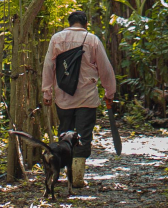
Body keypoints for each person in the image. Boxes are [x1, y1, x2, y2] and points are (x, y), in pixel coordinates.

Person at [41, 11, 116, 187]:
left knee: (65, 133)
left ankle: (63, 175)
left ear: (69, 23)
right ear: (85, 24)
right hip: (87, 98)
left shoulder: (57, 39)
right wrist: (109, 93)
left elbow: (49, 66)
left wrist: (47, 92)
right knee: (83, 135)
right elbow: (105, 69)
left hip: (63, 96)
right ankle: (77, 177)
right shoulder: (93, 40)